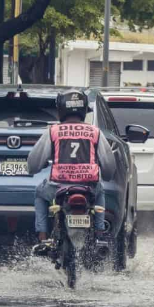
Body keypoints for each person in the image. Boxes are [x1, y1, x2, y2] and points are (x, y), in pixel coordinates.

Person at [26, 90, 117, 256]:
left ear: (60, 109)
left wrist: (33, 169)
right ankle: (99, 234)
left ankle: (43, 238)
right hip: (89, 187)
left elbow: (33, 163)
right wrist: (107, 176)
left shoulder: (53, 132)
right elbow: (109, 166)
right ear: (83, 110)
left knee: (39, 193)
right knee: (100, 192)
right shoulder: (95, 132)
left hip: (57, 187)